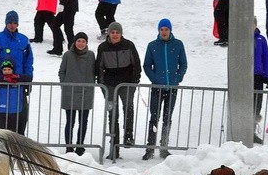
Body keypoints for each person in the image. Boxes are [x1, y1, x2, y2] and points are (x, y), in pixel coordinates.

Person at [142, 18, 188, 160]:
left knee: (167, 118)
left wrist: (177, 78)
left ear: (170, 30)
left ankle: (164, 147)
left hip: (172, 87)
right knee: (154, 117)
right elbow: (147, 66)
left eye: (166, 29)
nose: (164, 32)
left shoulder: (178, 44)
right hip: (157, 88)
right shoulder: (152, 45)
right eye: (161, 29)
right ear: (158, 31)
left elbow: (183, 64)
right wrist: (156, 80)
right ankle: (150, 148)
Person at [96, 21, 142, 160]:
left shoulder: (128, 45)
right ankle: (114, 147)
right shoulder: (103, 47)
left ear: (121, 33)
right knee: (112, 114)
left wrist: (134, 81)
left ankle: (128, 136)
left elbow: (136, 64)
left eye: (117, 32)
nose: (115, 35)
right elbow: (99, 66)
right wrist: (102, 82)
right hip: (109, 85)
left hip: (126, 83)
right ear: (109, 33)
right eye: (112, 32)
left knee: (128, 107)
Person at [0, 10, 34, 134]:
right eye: (10, 22)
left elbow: (28, 61)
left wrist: (28, 79)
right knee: (3, 117)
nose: (12, 25)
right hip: (2, 84)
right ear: (6, 23)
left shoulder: (24, 40)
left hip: (19, 83)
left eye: (15, 22)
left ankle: (19, 141)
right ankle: (2, 141)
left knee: (21, 115)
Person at [58, 31, 96, 156]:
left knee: (83, 121)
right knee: (70, 121)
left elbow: (94, 71)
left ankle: (80, 145)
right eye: (79, 41)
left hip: (86, 92)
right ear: (74, 42)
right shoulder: (68, 55)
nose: (81, 43)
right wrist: (65, 84)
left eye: (83, 41)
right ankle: (69, 146)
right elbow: (62, 71)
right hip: (70, 92)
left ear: (86, 43)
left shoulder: (91, 55)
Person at [0, 60, 31, 134]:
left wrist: (17, 77)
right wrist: (4, 78)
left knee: (14, 131)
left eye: (9, 69)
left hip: (15, 110)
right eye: (4, 70)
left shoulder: (17, 80)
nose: (7, 72)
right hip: (2, 110)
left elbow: (28, 78)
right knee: (1, 130)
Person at [254, 16, 268, 144]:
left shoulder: (261, 39)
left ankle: (252, 131)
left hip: (258, 76)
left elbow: (266, 57)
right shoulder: (240, 38)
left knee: (257, 105)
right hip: (245, 76)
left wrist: (267, 74)